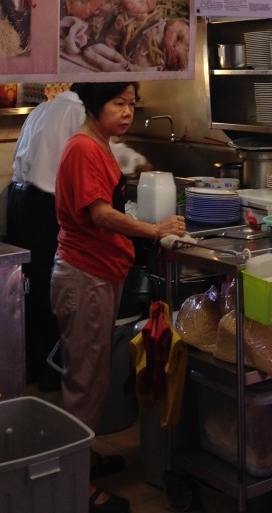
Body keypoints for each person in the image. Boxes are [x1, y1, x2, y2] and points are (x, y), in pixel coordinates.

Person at [50, 82, 184, 513]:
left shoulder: (99, 143)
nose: (127, 112)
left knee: (92, 376)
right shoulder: (86, 149)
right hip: (84, 276)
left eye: (131, 104)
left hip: (95, 273)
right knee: (85, 380)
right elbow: (99, 214)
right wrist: (154, 230)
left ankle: (81, 460)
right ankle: (76, 488)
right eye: (118, 103)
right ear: (95, 105)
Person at [7, 85, 150, 391]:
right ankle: (55, 375)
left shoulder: (46, 107)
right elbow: (101, 148)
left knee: (32, 289)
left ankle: (38, 368)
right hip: (44, 205)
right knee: (47, 289)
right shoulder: (76, 111)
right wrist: (139, 161)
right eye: (118, 102)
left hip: (19, 199)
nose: (125, 110)